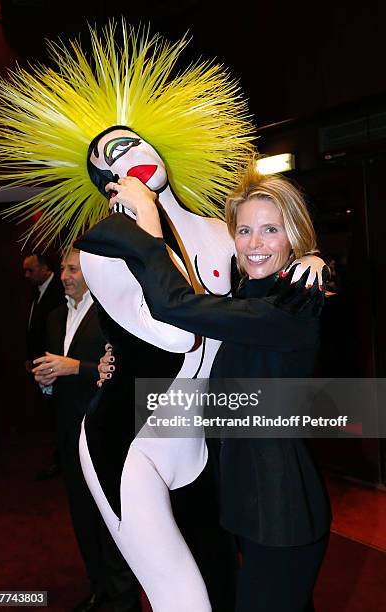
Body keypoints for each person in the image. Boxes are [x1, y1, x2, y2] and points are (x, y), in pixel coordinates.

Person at [0, 21, 327, 611]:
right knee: (183, 601)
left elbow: (267, 285)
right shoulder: (101, 245)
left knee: (225, 594)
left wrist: (313, 259)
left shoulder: (224, 233)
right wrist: (141, 221)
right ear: (104, 182)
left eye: (132, 143)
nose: (129, 157)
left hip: (207, 439)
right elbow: (174, 330)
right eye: (110, 158)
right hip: (131, 436)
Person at [77, 163, 332, 612]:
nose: (254, 244)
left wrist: (148, 222)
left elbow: (173, 305)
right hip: (247, 506)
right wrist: (119, 370)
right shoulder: (251, 296)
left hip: (281, 513)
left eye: (271, 230)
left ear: (293, 234)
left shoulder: (292, 304)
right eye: (245, 230)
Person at [32, 248, 141, 612]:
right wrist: (46, 379)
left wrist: (73, 367)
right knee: (81, 516)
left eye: (73, 268)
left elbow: (123, 374)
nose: (65, 275)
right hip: (66, 430)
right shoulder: (54, 317)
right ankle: (99, 589)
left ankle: (124, 598)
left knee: (110, 518)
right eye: (63, 268)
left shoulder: (111, 314)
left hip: (104, 433)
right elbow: (56, 370)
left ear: (91, 273)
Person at [23, 252, 65, 479]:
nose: (26, 275)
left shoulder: (59, 291)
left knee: (59, 414)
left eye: (30, 269)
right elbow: (33, 329)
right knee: (51, 415)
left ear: (44, 268)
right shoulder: (36, 293)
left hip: (56, 365)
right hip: (40, 364)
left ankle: (62, 460)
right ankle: (59, 457)